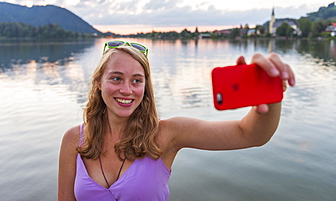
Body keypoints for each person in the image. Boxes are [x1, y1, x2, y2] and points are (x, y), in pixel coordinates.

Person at [58, 40, 295, 201]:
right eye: (116, 78)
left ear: (146, 87)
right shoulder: (74, 140)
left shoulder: (167, 134)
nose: (127, 89)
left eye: (137, 80)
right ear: (99, 82)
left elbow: (250, 134)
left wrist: (270, 97)